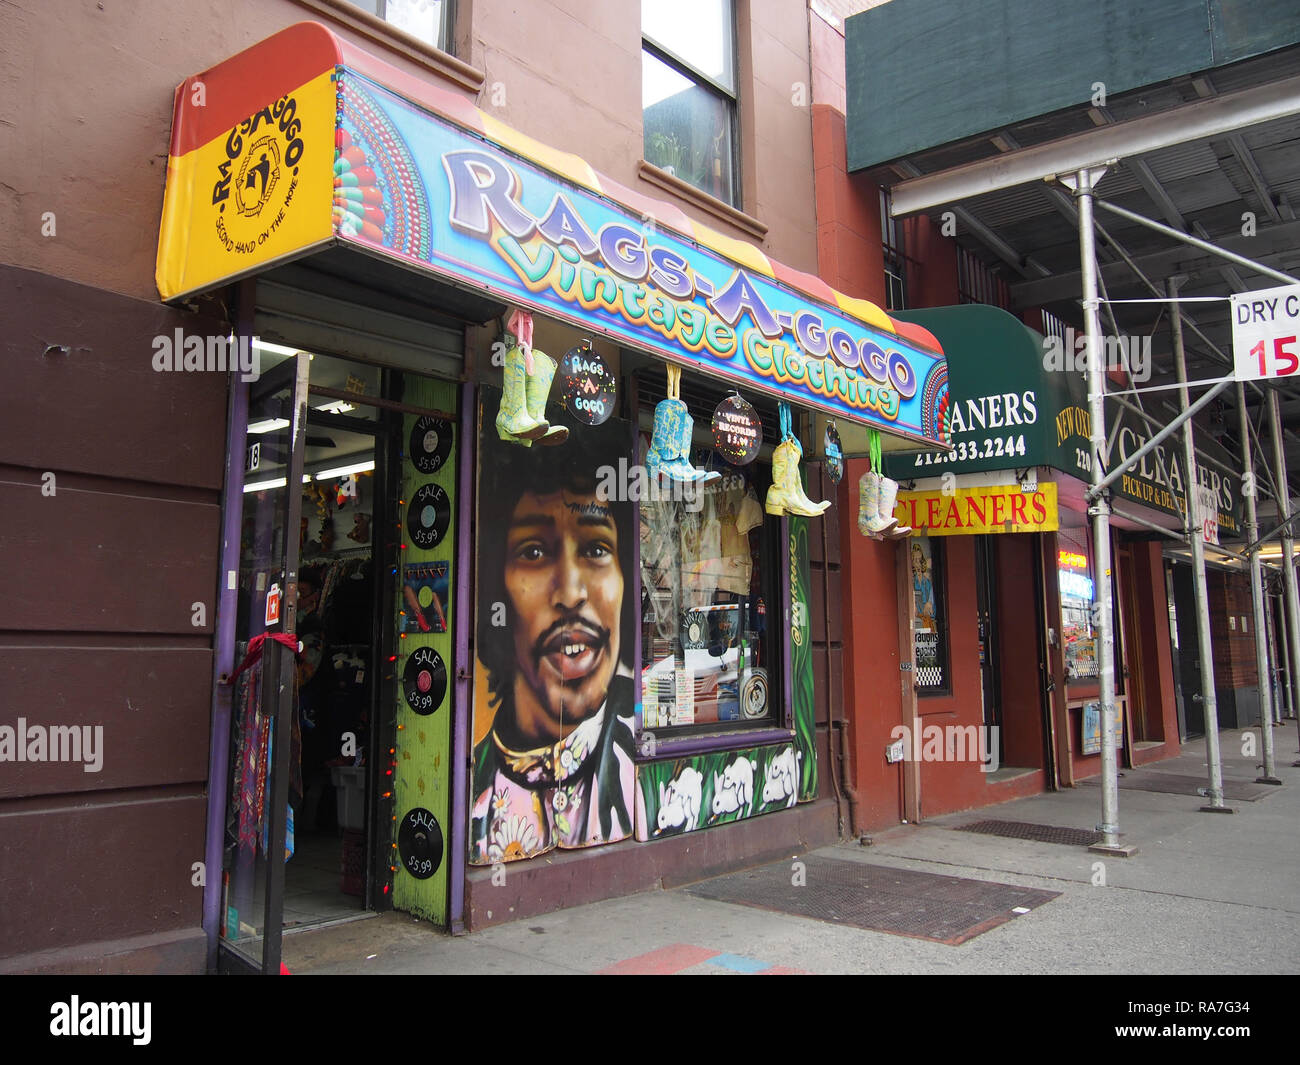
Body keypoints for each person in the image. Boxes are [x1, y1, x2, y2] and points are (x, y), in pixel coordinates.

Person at [471, 400, 637, 864]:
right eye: (534, 552)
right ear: (494, 585)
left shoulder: (645, 763)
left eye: (597, 548)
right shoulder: (471, 789)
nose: (570, 592)